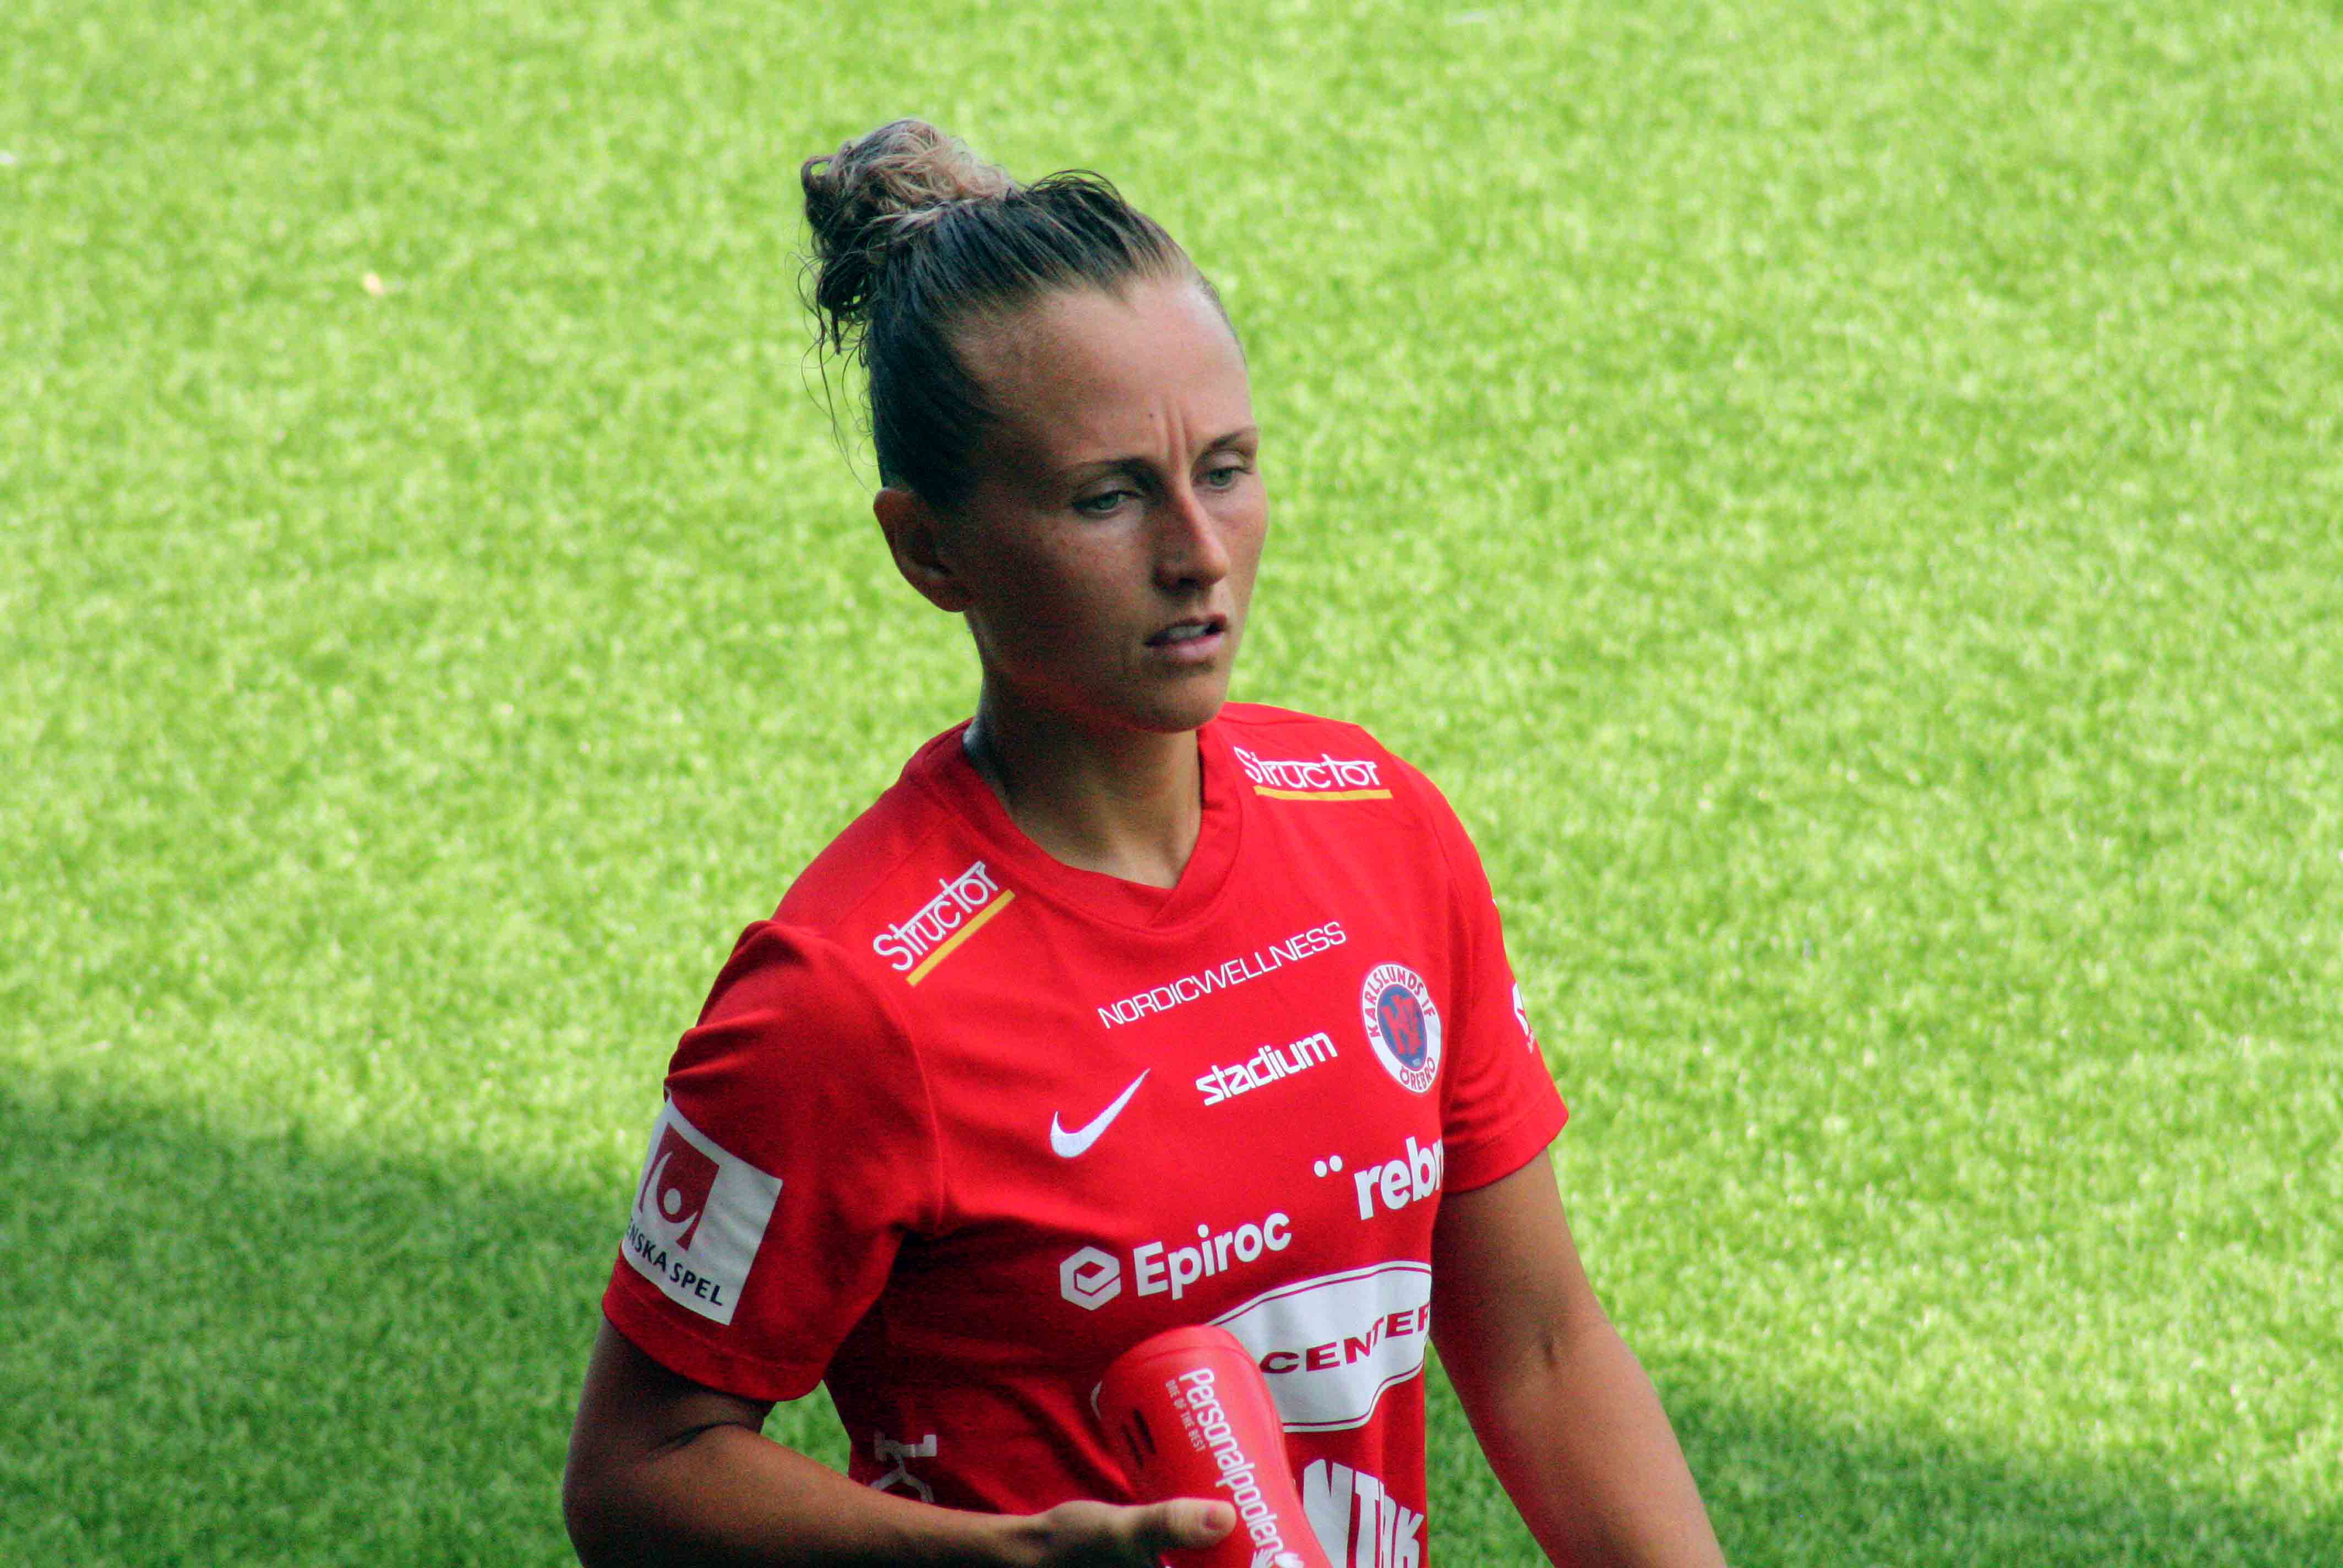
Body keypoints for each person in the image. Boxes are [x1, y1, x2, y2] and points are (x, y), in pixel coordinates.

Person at [562, 118, 1726, 1568]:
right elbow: (637, 1478)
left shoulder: (1379, 832)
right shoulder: (845, 1002)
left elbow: (1543, 1350)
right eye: (1108, 496)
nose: (1198, 552)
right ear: (929, 550)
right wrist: (1004, 1561)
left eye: (1225, 470)